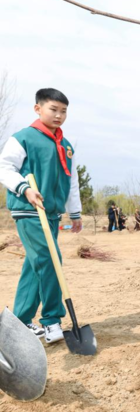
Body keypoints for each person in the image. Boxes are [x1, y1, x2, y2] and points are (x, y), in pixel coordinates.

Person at [0, 88, 82, 344]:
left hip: (53, 213)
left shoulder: (65, 145)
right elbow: (4, 167)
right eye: (53, 109)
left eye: (63, 111)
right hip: (29, 211)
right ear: (38, 109)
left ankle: (19, 321)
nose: (59, 115)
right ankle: (52, 320)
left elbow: (72, 181)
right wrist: (25, 189)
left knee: (35, 266)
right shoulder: (23, 138)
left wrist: (75, 211)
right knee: (50, 259)